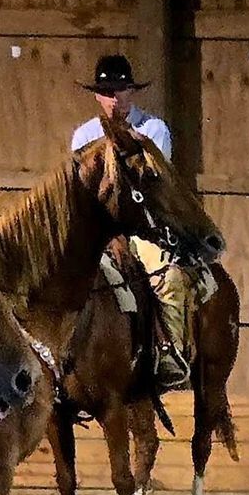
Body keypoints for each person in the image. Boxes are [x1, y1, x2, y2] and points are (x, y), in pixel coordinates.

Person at [72, 54, 192, 392]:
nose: (114, 98)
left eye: (121, 90)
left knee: (168, 277)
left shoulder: (154, 130)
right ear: (97, 95)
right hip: (97, 229)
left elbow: (154, 187)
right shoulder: (83, 136)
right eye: (108, 91)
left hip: (142, 226)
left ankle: (169, 350)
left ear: (131, 92)